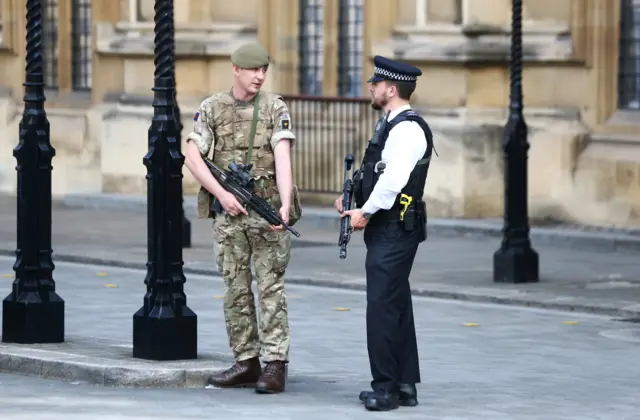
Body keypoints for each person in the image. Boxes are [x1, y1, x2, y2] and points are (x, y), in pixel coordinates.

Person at [184, 42, 300, 394]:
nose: (260, 76)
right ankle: (246, 361)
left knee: (270, 289)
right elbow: (192, 156)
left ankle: (275, 364)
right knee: (235, 289)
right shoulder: (212, 107)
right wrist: (222, 195)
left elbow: (282, 154)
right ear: (236, 69)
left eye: (264, 70)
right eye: (253, 70)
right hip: (230, 216)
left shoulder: (274, 107)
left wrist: (283, 202)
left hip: (265, 213)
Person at [334, 55, 434, 411]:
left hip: (394, 227)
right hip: (389, 227)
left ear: (391, 89)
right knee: (396, 305)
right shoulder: (390, 123)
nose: (372, 88)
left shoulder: (406, 129)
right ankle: (405, 385)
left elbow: (392, 182)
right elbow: (377, 172)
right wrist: (354, 199)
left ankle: (386, 388)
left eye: (376, 84)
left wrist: (365, 211)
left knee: (381, 309)